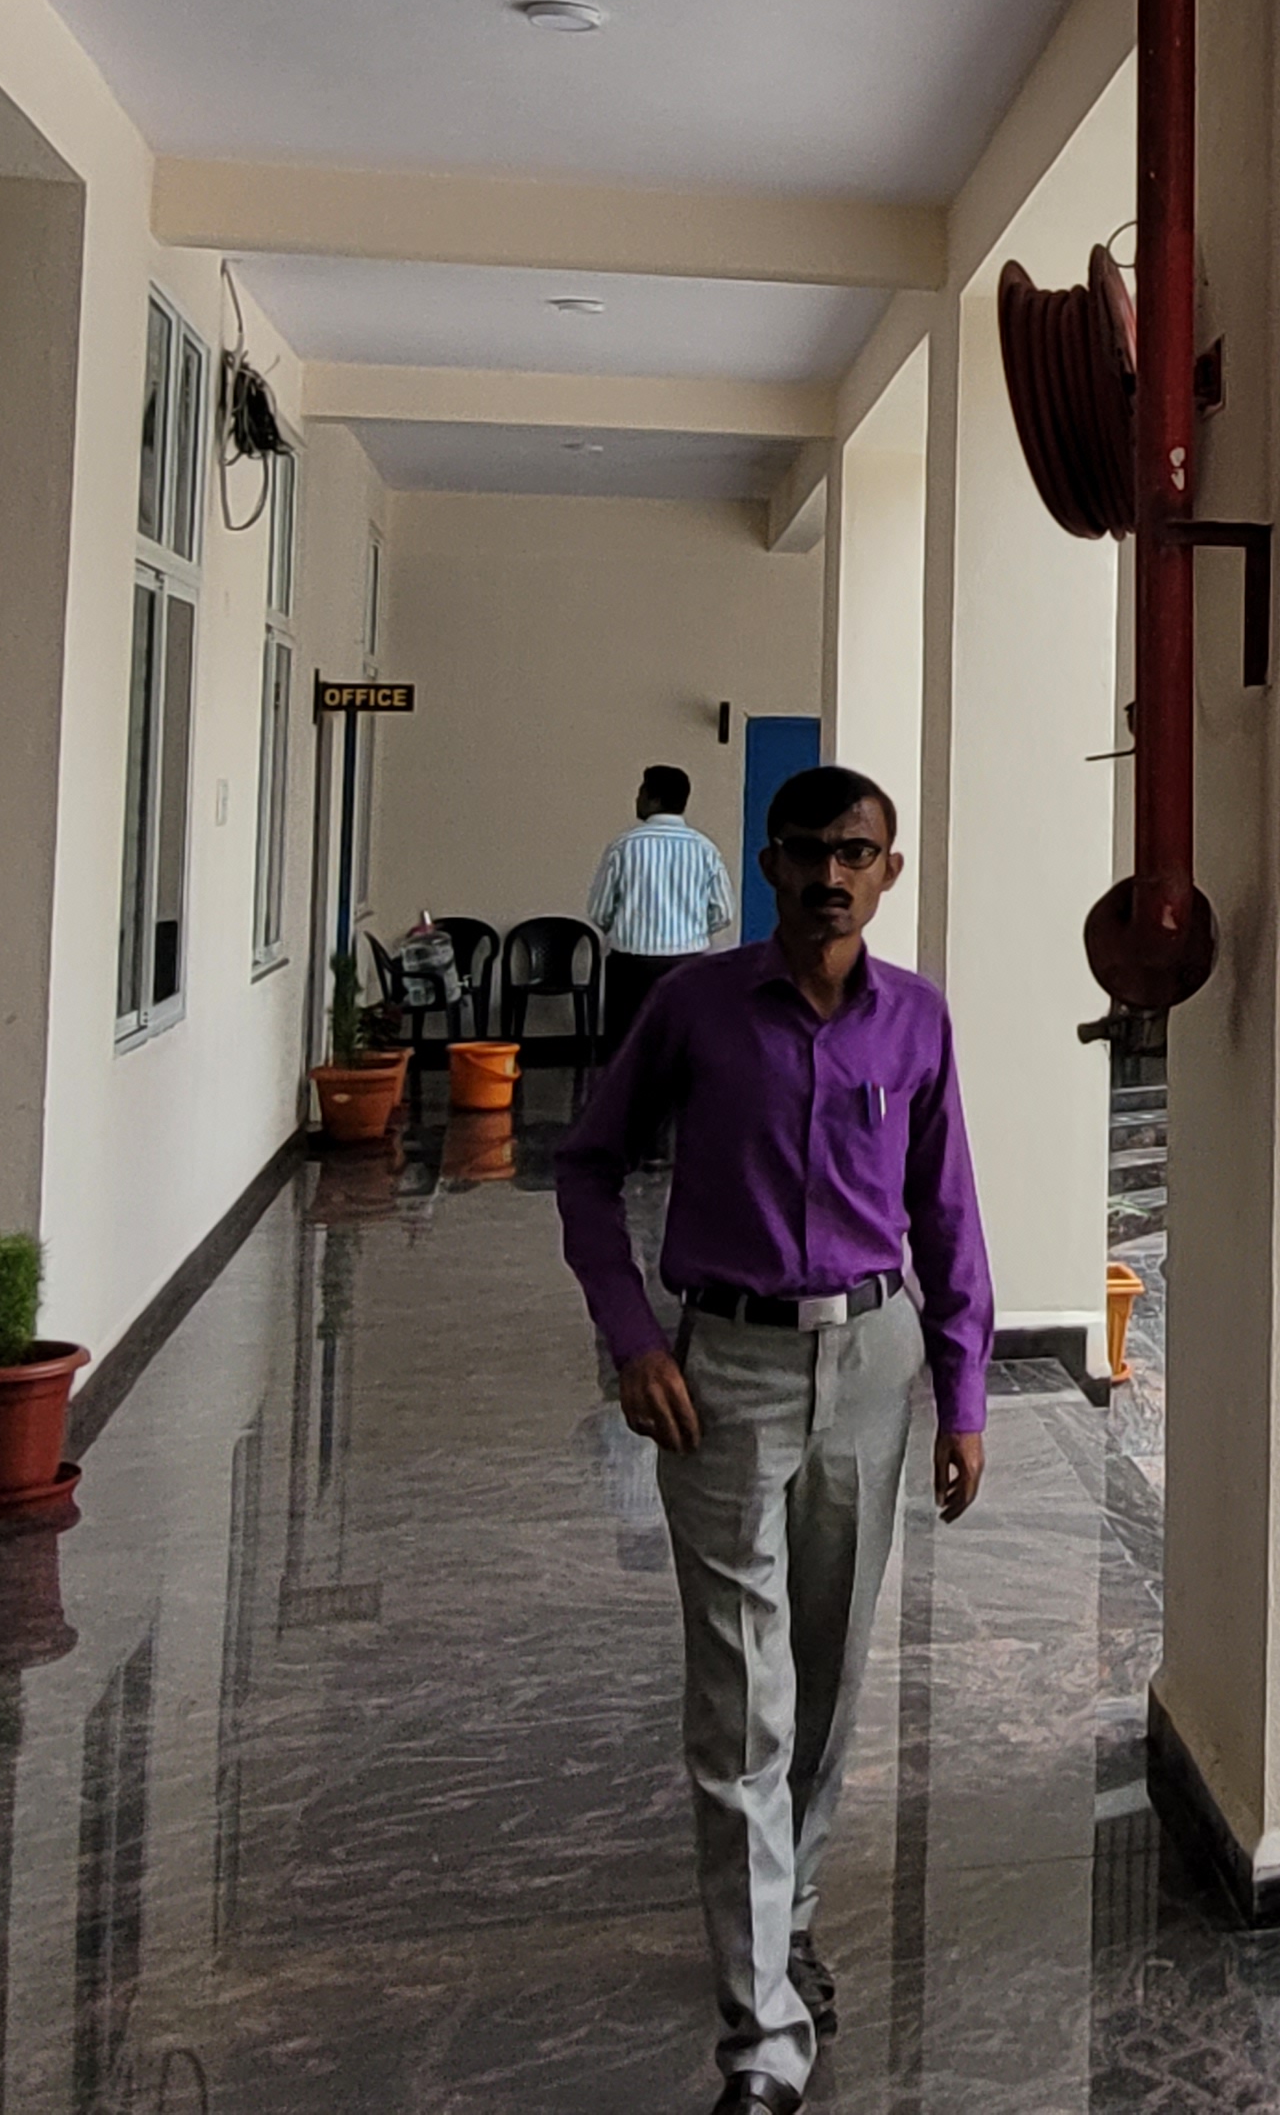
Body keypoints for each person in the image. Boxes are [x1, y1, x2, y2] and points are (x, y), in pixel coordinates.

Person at [554, 766, 991, 2115]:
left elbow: (947, 1212)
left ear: (888, 872)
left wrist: (965, 1393)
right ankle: (761, 2035)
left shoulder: (915, 1020)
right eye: (807, 852)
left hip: (871, 1365)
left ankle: (784, 1915)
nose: (829, 876)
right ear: (768, 864)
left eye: (855, 854)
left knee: (828, 1670)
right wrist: (634, 1339)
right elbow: (588, 1165)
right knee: (742, 1699)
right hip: (724, 1377)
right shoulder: (695, 1008)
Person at [585, 764, 735, 1046]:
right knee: (681, 1047)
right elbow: (723, 911)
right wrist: (693, 929)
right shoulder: (704, 848)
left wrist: (625, 927)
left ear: (653, 799)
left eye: (641, 792)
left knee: (627, 1049)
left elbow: (599, 910)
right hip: (688, 963)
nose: (636, 799)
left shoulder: (624, 846)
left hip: (631, 966)